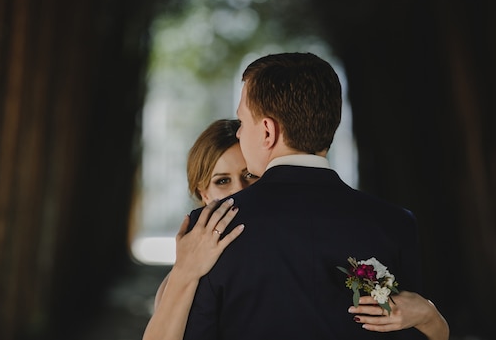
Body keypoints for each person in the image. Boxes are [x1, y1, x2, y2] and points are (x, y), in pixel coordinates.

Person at [181, 52, 439, 339]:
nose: (240, 134)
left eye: (242, 122)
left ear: (267, 131)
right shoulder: (395, 223)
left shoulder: (211, 229)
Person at [142, 119, 448, 340]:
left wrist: (430, 315)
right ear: (204, 194)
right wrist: (185, 271)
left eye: (250, 176)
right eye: (222, 181)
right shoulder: (184, 275)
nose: (239, 191)